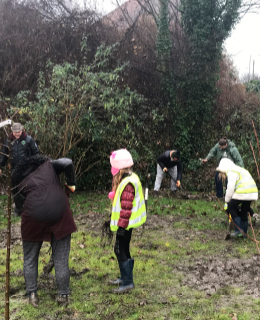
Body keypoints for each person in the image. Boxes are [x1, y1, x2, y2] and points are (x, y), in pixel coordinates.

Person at [11, 154, 77, 307]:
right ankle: (63, 295)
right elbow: (68, 162)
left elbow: (19, 207)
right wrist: (71, 184)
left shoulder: (17, 181)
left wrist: (21, 209)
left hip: (34, 213)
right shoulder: (48, 164)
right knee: (61, 258)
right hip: (59, 209)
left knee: (30, 257)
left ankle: (32, 294)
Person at [108, 149, 146, 293]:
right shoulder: (130, 178)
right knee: (124, 249)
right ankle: (125, 278)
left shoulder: (128, 184)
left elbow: (126, 207)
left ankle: (128, 282)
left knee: (119, 250)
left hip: (125, 224)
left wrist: (121, 228)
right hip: (127, 223)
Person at [0, 122, 39, 213]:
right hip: (15, 169)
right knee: (15, 189)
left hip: (27, 169)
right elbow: (3, 156)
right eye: (15, 132)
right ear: (12, 131)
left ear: (22, 130)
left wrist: (35, 166)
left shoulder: (29, 140)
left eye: (18, 131)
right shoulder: (8, 141)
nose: (17, 134)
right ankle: (19, 209)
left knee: (28, 188)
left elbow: (36, 154)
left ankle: (29, 208)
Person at [216, 158, 258, 237]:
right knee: (244, 210)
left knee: (231, 206)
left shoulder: (232, 171)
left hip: (243, 191)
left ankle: (238, 230)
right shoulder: (241, 169)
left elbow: (231, 187)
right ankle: (244, 233)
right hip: (252, 191)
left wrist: (227, 201)